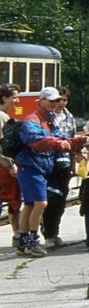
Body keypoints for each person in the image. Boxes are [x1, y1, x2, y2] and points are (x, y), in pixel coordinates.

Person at [16, 86, 86, 257]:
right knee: (40, 203)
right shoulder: (31, 120)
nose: (55, 103)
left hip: (40, 167)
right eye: (52, 101)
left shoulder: (49, 119)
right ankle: (33, 241)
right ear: (41, 101)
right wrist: (58, 144)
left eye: (57, 100)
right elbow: (35, 141)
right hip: (30, 167)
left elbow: (59, 138)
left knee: (30, 204)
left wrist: (76, 141)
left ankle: (23, 241)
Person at [41, 86, 75, 249]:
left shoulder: (70, 117)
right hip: (49, 161)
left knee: (61, 199)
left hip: (65, 162)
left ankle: (55, 232)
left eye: (64, 100)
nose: (61, 103)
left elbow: (72, 140)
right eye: (58, 100)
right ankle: (48, 233)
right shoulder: (47, 117)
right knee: (51, 198)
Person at [0, 83, 22, 248]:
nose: (17, 100)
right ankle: (17, 235)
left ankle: (18, 235)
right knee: (14, 200)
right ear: (4, 98)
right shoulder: (2, 117)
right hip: (3, 167)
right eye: (14, 97)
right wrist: (10, 164)